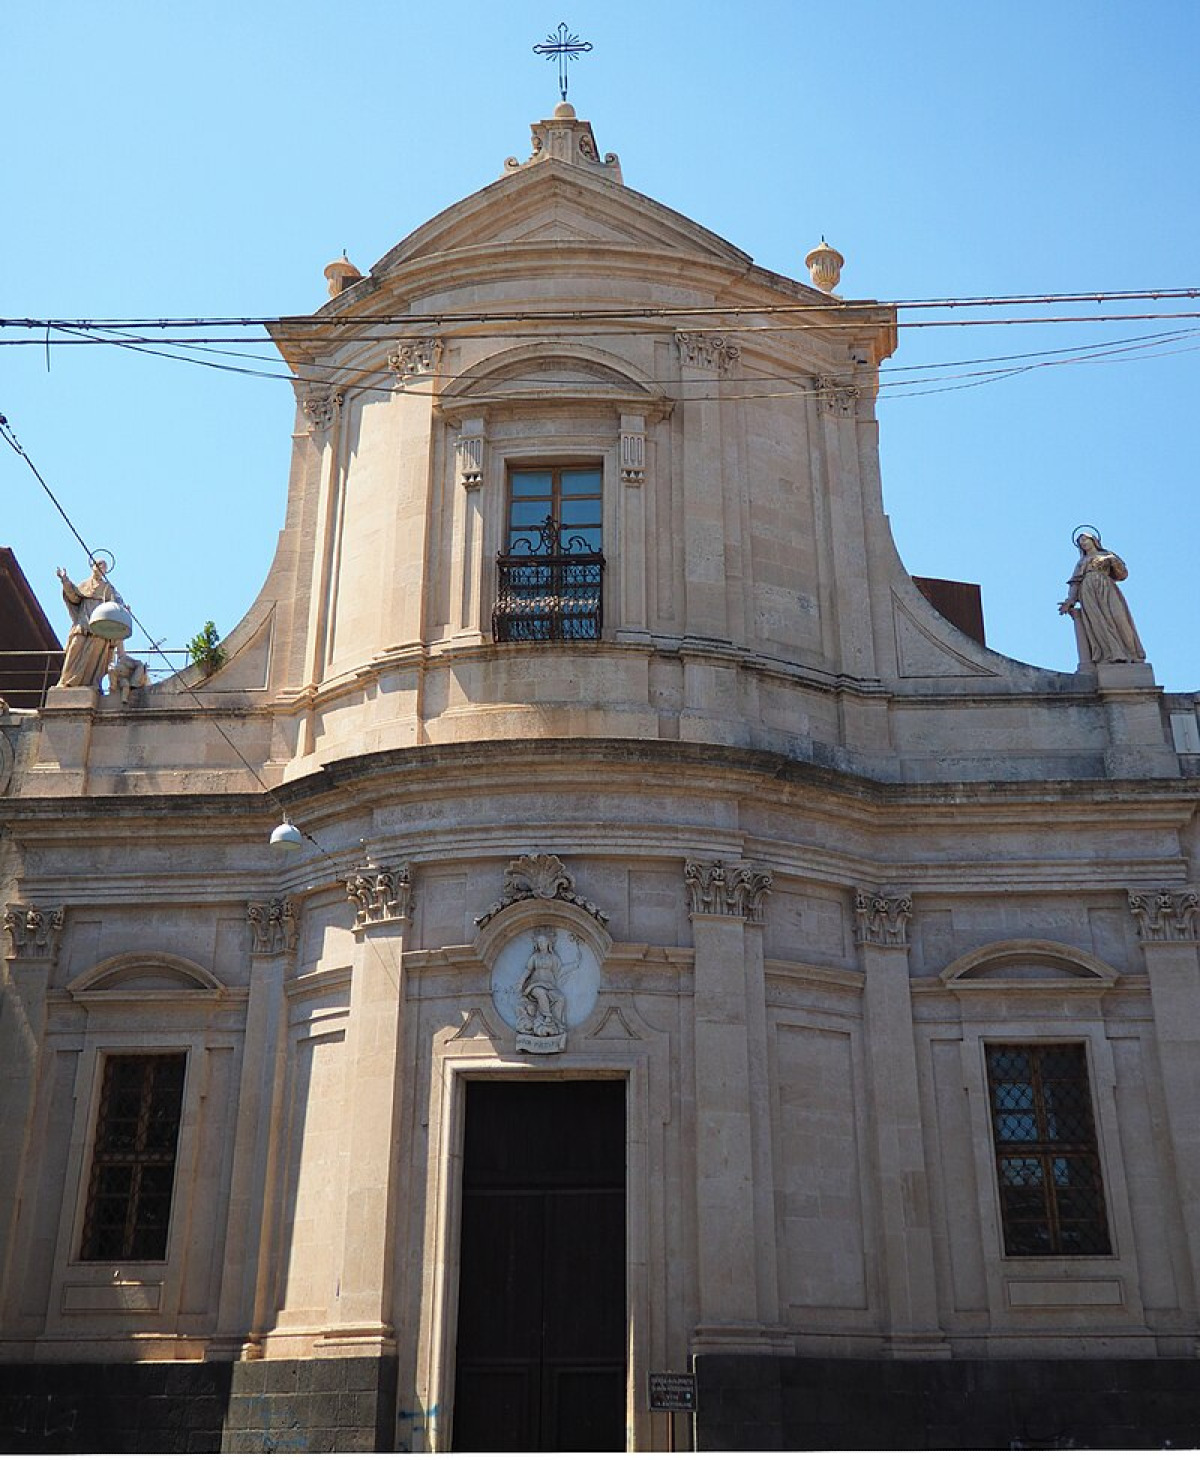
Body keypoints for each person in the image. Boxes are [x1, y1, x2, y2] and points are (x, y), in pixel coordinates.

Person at [1058, 530, 1145, 665]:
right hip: (1088, 590)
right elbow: (1075, 581)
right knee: (1098, 622)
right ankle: (1112, 654)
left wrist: (1113, 560)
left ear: (1093, 540)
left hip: (1107, 587)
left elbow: (1122, 575)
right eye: (1081, 542)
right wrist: (1070, 600)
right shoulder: (1082, 562)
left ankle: (1132, 653)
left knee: (1119, 618)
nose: (1083, 543)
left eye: (1085, 540)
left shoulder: (1107, 555)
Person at [55, 558, 124, 689]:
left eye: (103, 566)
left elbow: (116, 605)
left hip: (99, 631)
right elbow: (73, 596)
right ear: (92, 566)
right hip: (82, 626)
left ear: (106, 571)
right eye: (97, 564)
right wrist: (64, 579)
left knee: (95, 661)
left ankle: (91, 685)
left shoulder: (108, 589)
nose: (99, 567)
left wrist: (122, 610)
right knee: (74, 652)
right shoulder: (84, 585)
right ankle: (66, 683)